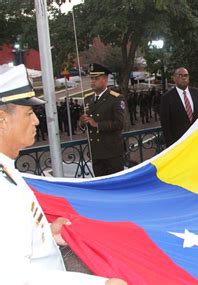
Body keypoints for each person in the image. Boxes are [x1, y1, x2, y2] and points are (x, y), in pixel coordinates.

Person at [0, 64, 126, 285]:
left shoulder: (8, 171)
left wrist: (49, 233)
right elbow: (14, 277)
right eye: (29, 113)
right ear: (3, 119)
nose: (36, 121)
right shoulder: (3, 190)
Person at [80, 63, 126, 177]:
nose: (92, 82)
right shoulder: (88, 99)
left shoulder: (115, 98)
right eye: (91, 78)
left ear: (105, 79)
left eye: (96, 78)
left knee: (116, 186)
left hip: (112, 153)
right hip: (96, 152)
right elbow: (86, 124)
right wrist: (82, 122)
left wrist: (97, 125)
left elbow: (120, 123)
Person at [159, 67, 198, 147]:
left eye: (186, 75)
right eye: (180, 75)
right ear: (174, 79)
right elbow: (165, 123)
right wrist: (171, 146)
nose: (184, 78)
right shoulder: (166, 97)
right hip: (179, 144)